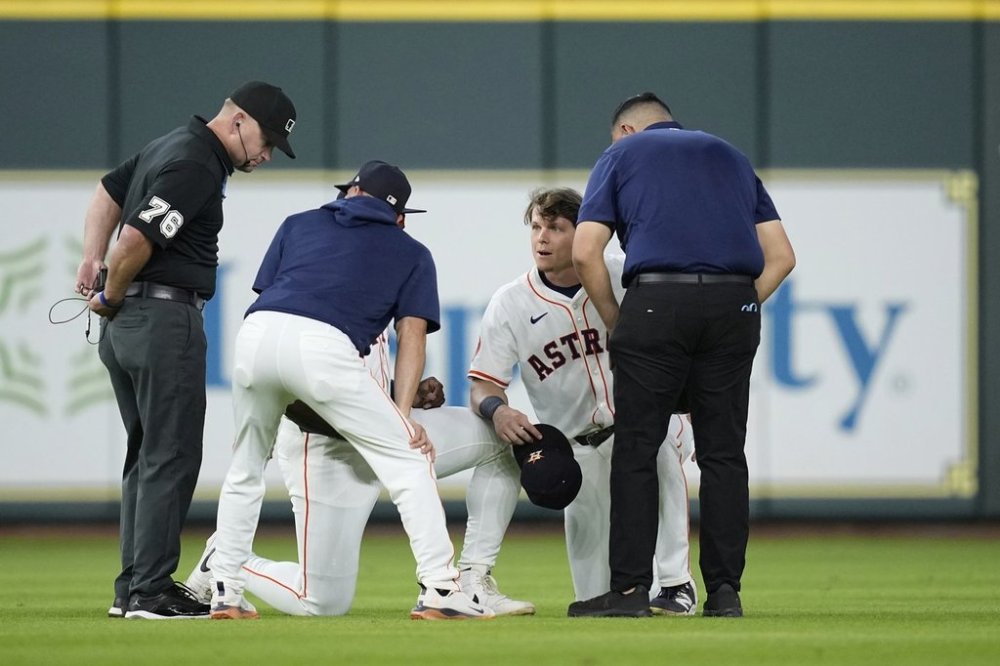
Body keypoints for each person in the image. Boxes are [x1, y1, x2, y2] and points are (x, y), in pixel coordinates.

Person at [206, 160, 492, 620]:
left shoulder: (298, 223)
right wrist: (403, 418)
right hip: (322, 349)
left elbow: (275, 294)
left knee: (244, 467)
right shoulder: (411, 250)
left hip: (255, 334)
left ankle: (226, 589)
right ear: (399, 216)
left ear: (350, 193)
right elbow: (412, 338)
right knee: (410, 458)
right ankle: (441, 588)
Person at [74, 80, 298, 620]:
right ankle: (151, 590)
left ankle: (132, 588)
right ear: (238, 120)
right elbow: (135, 240)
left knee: (147, 456)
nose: (266, 155)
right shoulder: (198, 162)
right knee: (171, 456)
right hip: (161, 318)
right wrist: (111, 289)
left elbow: (109, 191)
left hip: (128, 326)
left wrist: (89, 258)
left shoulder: (169, 143)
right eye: (266, 140)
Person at [569, 92, 795, 618]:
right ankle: (724, 592)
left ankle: (628, 592)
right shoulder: (732, 157)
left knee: (637, 450)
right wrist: (737, 304)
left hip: (656, 300)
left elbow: (585, 250)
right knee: (722, 455)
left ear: (625, 131)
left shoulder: (621, 156)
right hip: (733, 301)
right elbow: (781, 257)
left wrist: (615, 318)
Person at [184, 331, 534, 617]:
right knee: (320, 602)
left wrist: (401, 393)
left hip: (389, 430)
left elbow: (358, 376)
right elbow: (293, 380)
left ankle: (472, 580)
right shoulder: (315, 274)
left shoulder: (391, 262)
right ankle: (227, 557)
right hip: (326, 450)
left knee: (500, 438)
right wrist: (385, 425)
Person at [468, 187, 698, 615]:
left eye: (556, 227)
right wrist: (497, 410)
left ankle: (675, 583)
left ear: (585, 233)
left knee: (660, 446)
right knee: (594, 599)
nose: (542, 238)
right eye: (536, 227)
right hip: (576, 450)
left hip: (642, 424)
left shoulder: (624, 275)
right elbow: (482, 383)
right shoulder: (510, 304)